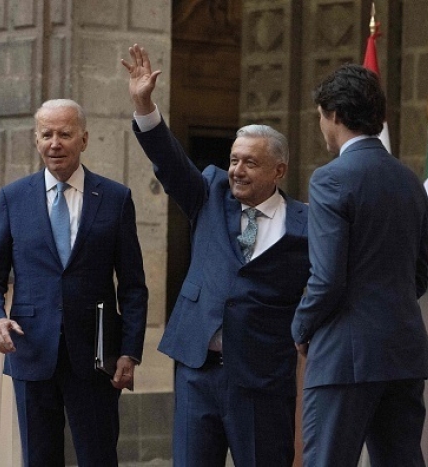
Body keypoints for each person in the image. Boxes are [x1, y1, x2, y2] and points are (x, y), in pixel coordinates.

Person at [121, 44, 310, 467]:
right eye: (233, 160)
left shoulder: (307, 225)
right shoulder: (210, 193)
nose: (237, 171)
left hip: (261, 378)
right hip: (197, 370)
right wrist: (144, 106)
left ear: (278, 170)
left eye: (250, 163)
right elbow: (170, 164)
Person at [0, 99, 148, 467]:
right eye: (47, 134)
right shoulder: (12, 198)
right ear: (36, 141)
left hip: (97, 354)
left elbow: (133, 286)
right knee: (39, 459)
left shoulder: (116, 198)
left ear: (83, 140)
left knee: (99, 457)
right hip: (31, 349)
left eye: (65, 134)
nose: (56, 143)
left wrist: (130, 351)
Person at [292, 64, 428, 467]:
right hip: (403, 354)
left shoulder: (330, 179)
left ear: (335, 115)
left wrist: (301, 327)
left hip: (344, 356)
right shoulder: (410, 181)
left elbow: (326, 279)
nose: (321, 126)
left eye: (321, 116)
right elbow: (419, 276)